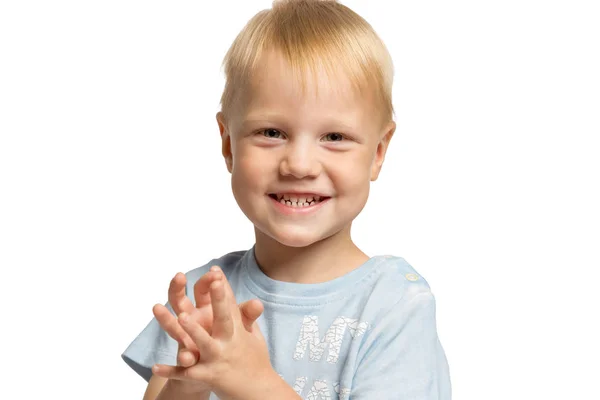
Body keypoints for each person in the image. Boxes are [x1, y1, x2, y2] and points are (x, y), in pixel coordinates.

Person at [121, 0, 452, 398]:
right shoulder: (203, 295)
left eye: (334, 137)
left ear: (377, 153)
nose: (299, 164)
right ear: (228, 144)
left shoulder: (394, 305)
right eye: (272, 133)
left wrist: (254, 383)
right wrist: (191, 378)